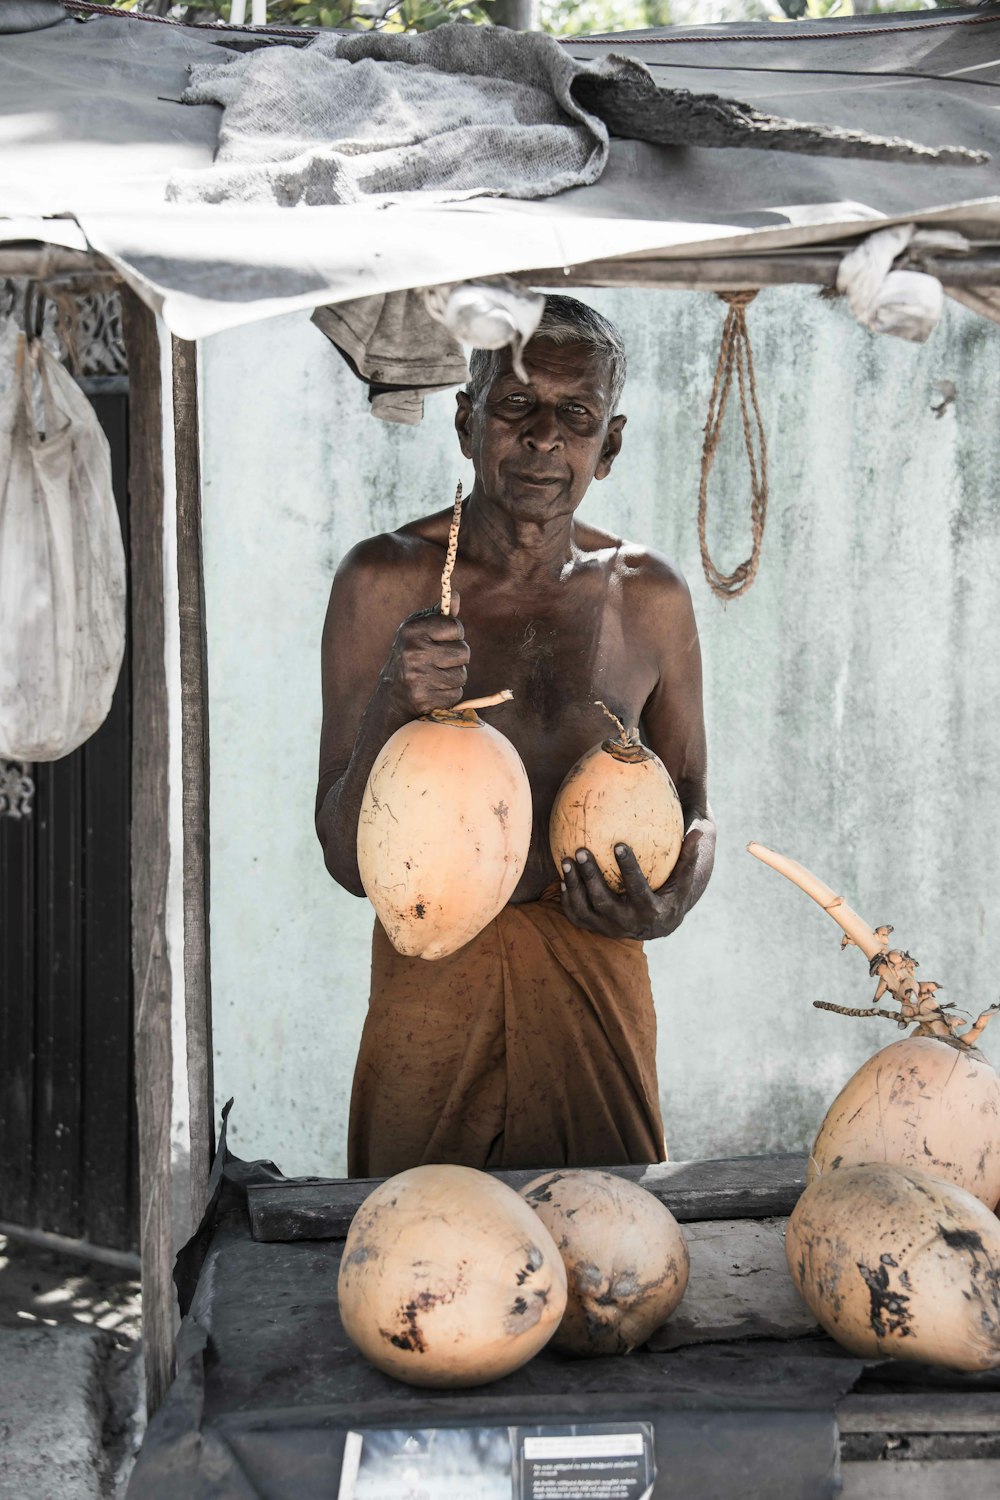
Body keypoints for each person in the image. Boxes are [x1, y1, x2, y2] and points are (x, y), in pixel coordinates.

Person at [316, 295, 716, 1176]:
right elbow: (348, 863)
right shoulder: (385, 581)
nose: (543, 439)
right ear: (467, 421)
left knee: (610, 1266)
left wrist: (673, 901)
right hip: (431, 982)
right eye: (515, 405)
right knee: (421, 1274)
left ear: (607, 446)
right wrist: (393, 697)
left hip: (600, 983)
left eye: (575, 417)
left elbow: (693, 810)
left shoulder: (650, 596)